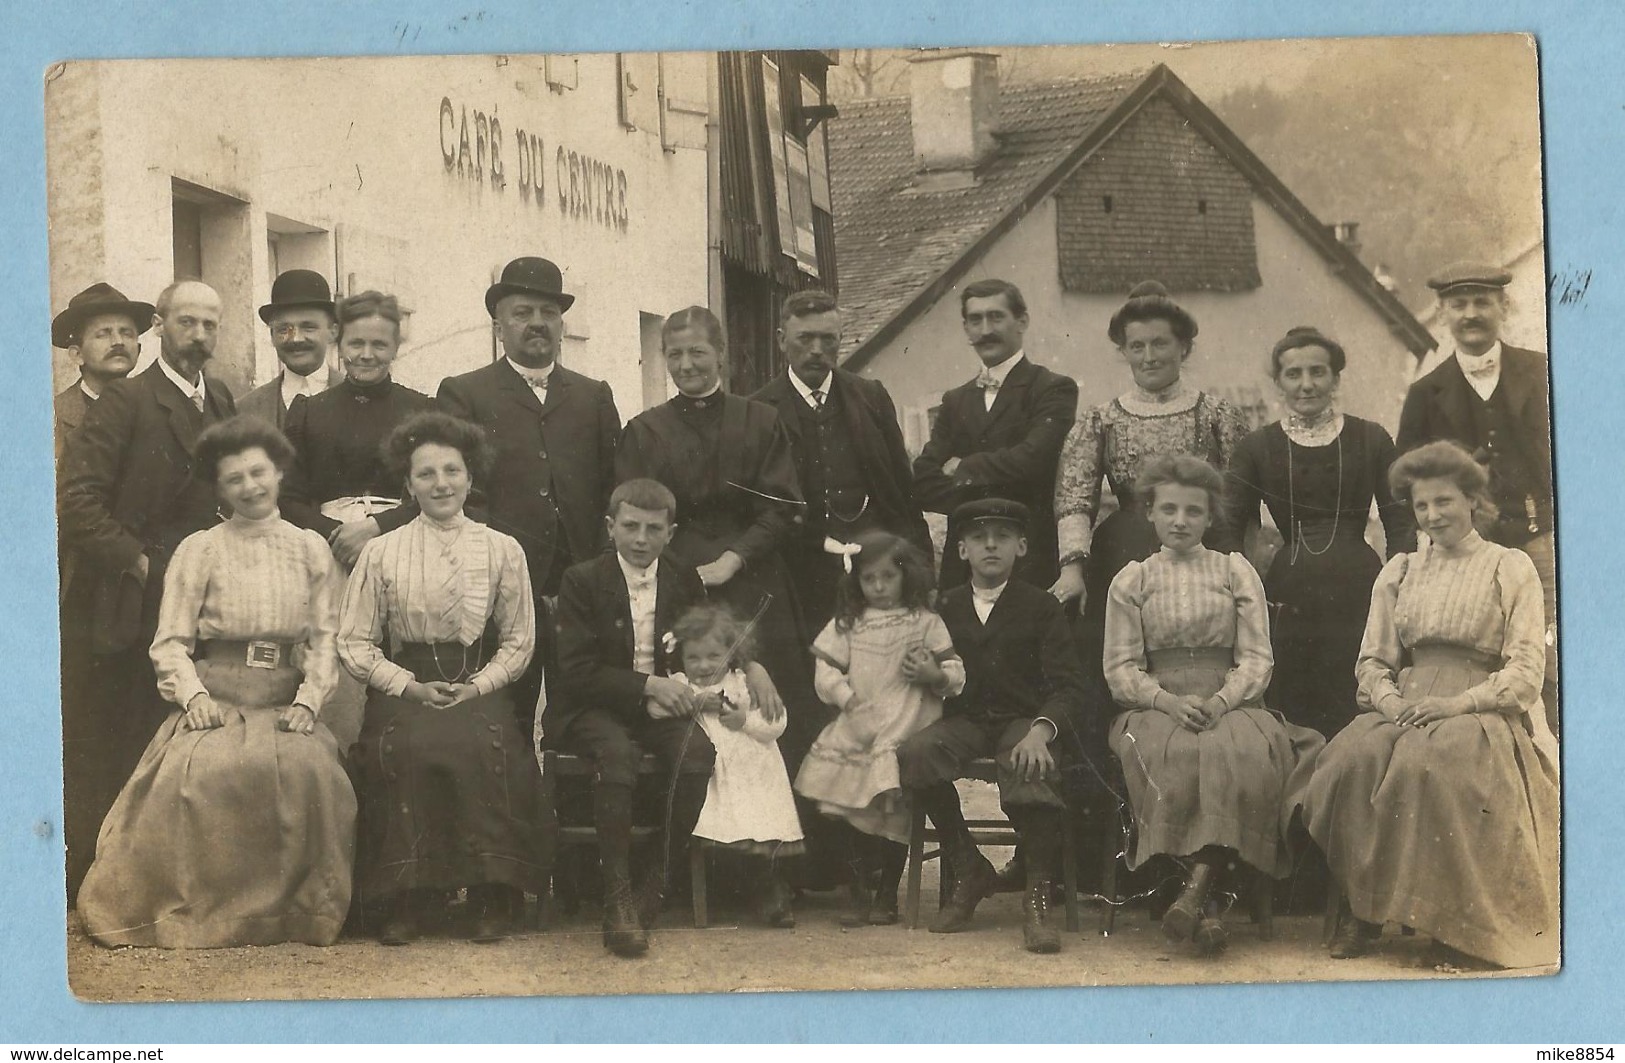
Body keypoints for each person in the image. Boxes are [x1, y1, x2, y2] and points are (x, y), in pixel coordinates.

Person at [77, 416, 355, 947]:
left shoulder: (310, 548)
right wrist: (195, 696)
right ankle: (203, 914)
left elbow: (325, 638)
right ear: (220, 488)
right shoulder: (200, 549)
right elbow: (170, 641)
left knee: (312, 772)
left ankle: (294, 916)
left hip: (284, 696)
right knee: (198, 772)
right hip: (218, 693)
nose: (250, 487)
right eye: (234, 479)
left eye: (259, 472)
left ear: (279, 472)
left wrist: (309, 702)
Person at [1303, 440, 1559, 971]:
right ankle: (1364, 907)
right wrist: (1392, 702)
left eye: (1443, 502)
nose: (1432, 515)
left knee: (1434, 765)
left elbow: (1525, 671)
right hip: (1405, 707)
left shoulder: (1508, 567)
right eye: (1421, 506)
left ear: (1471, 500)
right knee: (1349, 762)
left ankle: (1451, 919)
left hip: (1477, 711)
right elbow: (1373, 659)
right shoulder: (1400, 570)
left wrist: (1458, 704)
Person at [616, 306, 833, 877]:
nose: (687, 365)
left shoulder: (759, 421)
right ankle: (694, 866)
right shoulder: (645, 431)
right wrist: (687, 569)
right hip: (679, 586)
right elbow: (636, 510)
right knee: (689, 716)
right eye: (676, 355)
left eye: (698, 353)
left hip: (755, 583)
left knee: (766, 717)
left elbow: (786, 508)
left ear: (722, 356)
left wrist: (733, 558)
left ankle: (779, 869)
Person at [550, 478, 787, 956]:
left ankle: (655, 884)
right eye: (631, 527)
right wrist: (646, 685)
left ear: (671, 533)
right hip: (595, 705)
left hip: (662, 706)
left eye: (653, 529)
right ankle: (617, 897)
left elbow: (710, 634)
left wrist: (752, 665)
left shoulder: (681, 577)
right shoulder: (582, 580)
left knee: (698, 753)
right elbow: (575, 672)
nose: (641, 539)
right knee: (615, 757)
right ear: (610, 527)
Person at [58, 279, 236, 904]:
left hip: (200, 603)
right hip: (126, 609)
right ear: (162, 326)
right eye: (186, 323)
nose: (199, 336)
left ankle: (167, 881)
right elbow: (78, 502)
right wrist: (136, 561)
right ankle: (97, 887)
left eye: (210, 325)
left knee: (182, 744)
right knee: (114, 743)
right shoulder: (127, 401)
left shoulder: (220, 401)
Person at [1103, 455, 1324, 955]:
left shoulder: (1234, 571)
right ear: (1151, 514)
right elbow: (1119, 669)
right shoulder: (1132, 580)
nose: (1181, 521)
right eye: (1170, 510)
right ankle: (1213, 901)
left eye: (1193, 512)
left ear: (1209, 518)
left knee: (1239, 752)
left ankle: (1199, 889)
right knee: (1174, 755)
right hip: (1157, 706)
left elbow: (1257, 658)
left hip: (1232, 700)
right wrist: (1165, 700)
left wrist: (1222, 700)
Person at [337, 412, 542, 946]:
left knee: (484, 744)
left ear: (471, 478)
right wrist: (407, 685)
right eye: (426, 474)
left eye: (452, 471)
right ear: (407, 484)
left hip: (478, 679)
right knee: (406, 747)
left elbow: (519, 641)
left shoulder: (503, 549)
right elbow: (354, 641)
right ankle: (410, 896)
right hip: (408, 680)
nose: (441, 484)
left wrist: (480, 686)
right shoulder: (381, 551)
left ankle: (490, 894)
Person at [438, 256, 621, 734]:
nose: (537, 323)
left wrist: (599, 567)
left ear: (562, 325)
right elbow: (458, 492)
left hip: (577, 589)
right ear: (499, 326)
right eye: (522, 313)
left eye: (548, 313)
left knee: (579, 716)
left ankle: (567, 808)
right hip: (498, 584)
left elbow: (613, 488)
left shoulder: (593, 395)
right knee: (504, 718)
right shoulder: (464, 393)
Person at [897, 500, 1089, 953]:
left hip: (1021, 722)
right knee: (916, 753)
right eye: (979, 538)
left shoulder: (1041, 607)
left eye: (1002, 537)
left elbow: (1069, 686)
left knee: (1030, 765)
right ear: (961, 550)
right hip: (963, 720)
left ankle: (1037, 894)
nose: (990, 545)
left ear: (1021, 547)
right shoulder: (943, 608)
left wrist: (1042, 730)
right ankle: (967, 864)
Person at [1221, 326, 1414, 737]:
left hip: (1362, 585)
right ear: (1278, 382)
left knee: (1356, 694)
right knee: (1299, 702)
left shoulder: (1371, 437)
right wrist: (1242, 582)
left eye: (1317, 372)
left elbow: (1400, 519)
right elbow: (1230, 524)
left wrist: (1397, 576)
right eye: (1293, 374)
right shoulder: (1257, 446)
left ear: (1335, 379)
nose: (1306, 384)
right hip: (1291, 587)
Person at [1397, 262, 1556, 732]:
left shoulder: (1543, 370)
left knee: (1548, 653)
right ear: (1443, 313)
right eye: (1459, 304)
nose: (1471, 314)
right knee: (1483, 648)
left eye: (1482, 302)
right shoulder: (1426, 393)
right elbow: (1408, 478)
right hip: (1467, 553)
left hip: (1539, 537)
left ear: (1503, 306)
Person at [796, 531, 964, 927]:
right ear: (856, 581)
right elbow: (824, 671)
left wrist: (933, 674)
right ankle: (860, 889)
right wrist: (844, 696)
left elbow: (956, 674)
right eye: (869, 579)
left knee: (894, 813)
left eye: (888, 577)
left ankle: (889, 892)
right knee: (849, 804)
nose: (879, 587)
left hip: (906, 720)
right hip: (861, 719)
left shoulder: (925, 622)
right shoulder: (849, 624)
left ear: (907, 576)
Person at [750, 289, 931, 632]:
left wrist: (923, 572)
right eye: (805, 338)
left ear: (841, 340)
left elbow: (904, 492)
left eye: (828, 339)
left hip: (877, 570)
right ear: (781, 340)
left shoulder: (870, 397)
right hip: (800, 574)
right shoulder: (758, 411)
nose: (817, 350)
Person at [913, 278, 1078, 591]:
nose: (986, 329)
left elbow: (1033, 461)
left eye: (996, 317)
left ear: (1022, 321)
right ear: (966, 328)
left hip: (1028, 557)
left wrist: (963, 469)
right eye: (975, 319)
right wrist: (997, 481)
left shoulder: (1052, 388)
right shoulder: (955, 400)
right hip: (963, 567)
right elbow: (922, 481)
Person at [664, 603, 804, 928]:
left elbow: (777, 722)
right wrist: (691, 704)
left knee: (761, 831)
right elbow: (662, 711)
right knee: (717, 828)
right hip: (715, 775)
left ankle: (771, 892)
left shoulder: (744, 683)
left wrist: (744, 720)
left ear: (731, 653)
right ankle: (709, 890)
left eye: (713, 656)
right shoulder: (680, 683)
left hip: (754, 771)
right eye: (693, 657)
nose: (702, 666)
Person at [281, 290, 433, 567]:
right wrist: (338, 535)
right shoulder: (308, 411)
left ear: (396, 346)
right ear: (339, 344)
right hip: (327, 550)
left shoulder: (422, 410)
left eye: (379, 345)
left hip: (405, 546)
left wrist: (377, 527)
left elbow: (435, 490)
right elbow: (289, 499)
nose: (366, 355)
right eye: (356, 344)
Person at [51, 282, 151, 461]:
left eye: (127, 333)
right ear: (77, 354)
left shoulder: (158, 408)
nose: (118, 341)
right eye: (103, 334)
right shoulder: (53, 417)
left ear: (139, 349)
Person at [238, 270, 344, 429]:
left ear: (332, 332)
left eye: (308, 327)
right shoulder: (244, 410)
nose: (296, 338)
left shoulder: (360, 399)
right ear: (272, 336)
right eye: (283, 329)